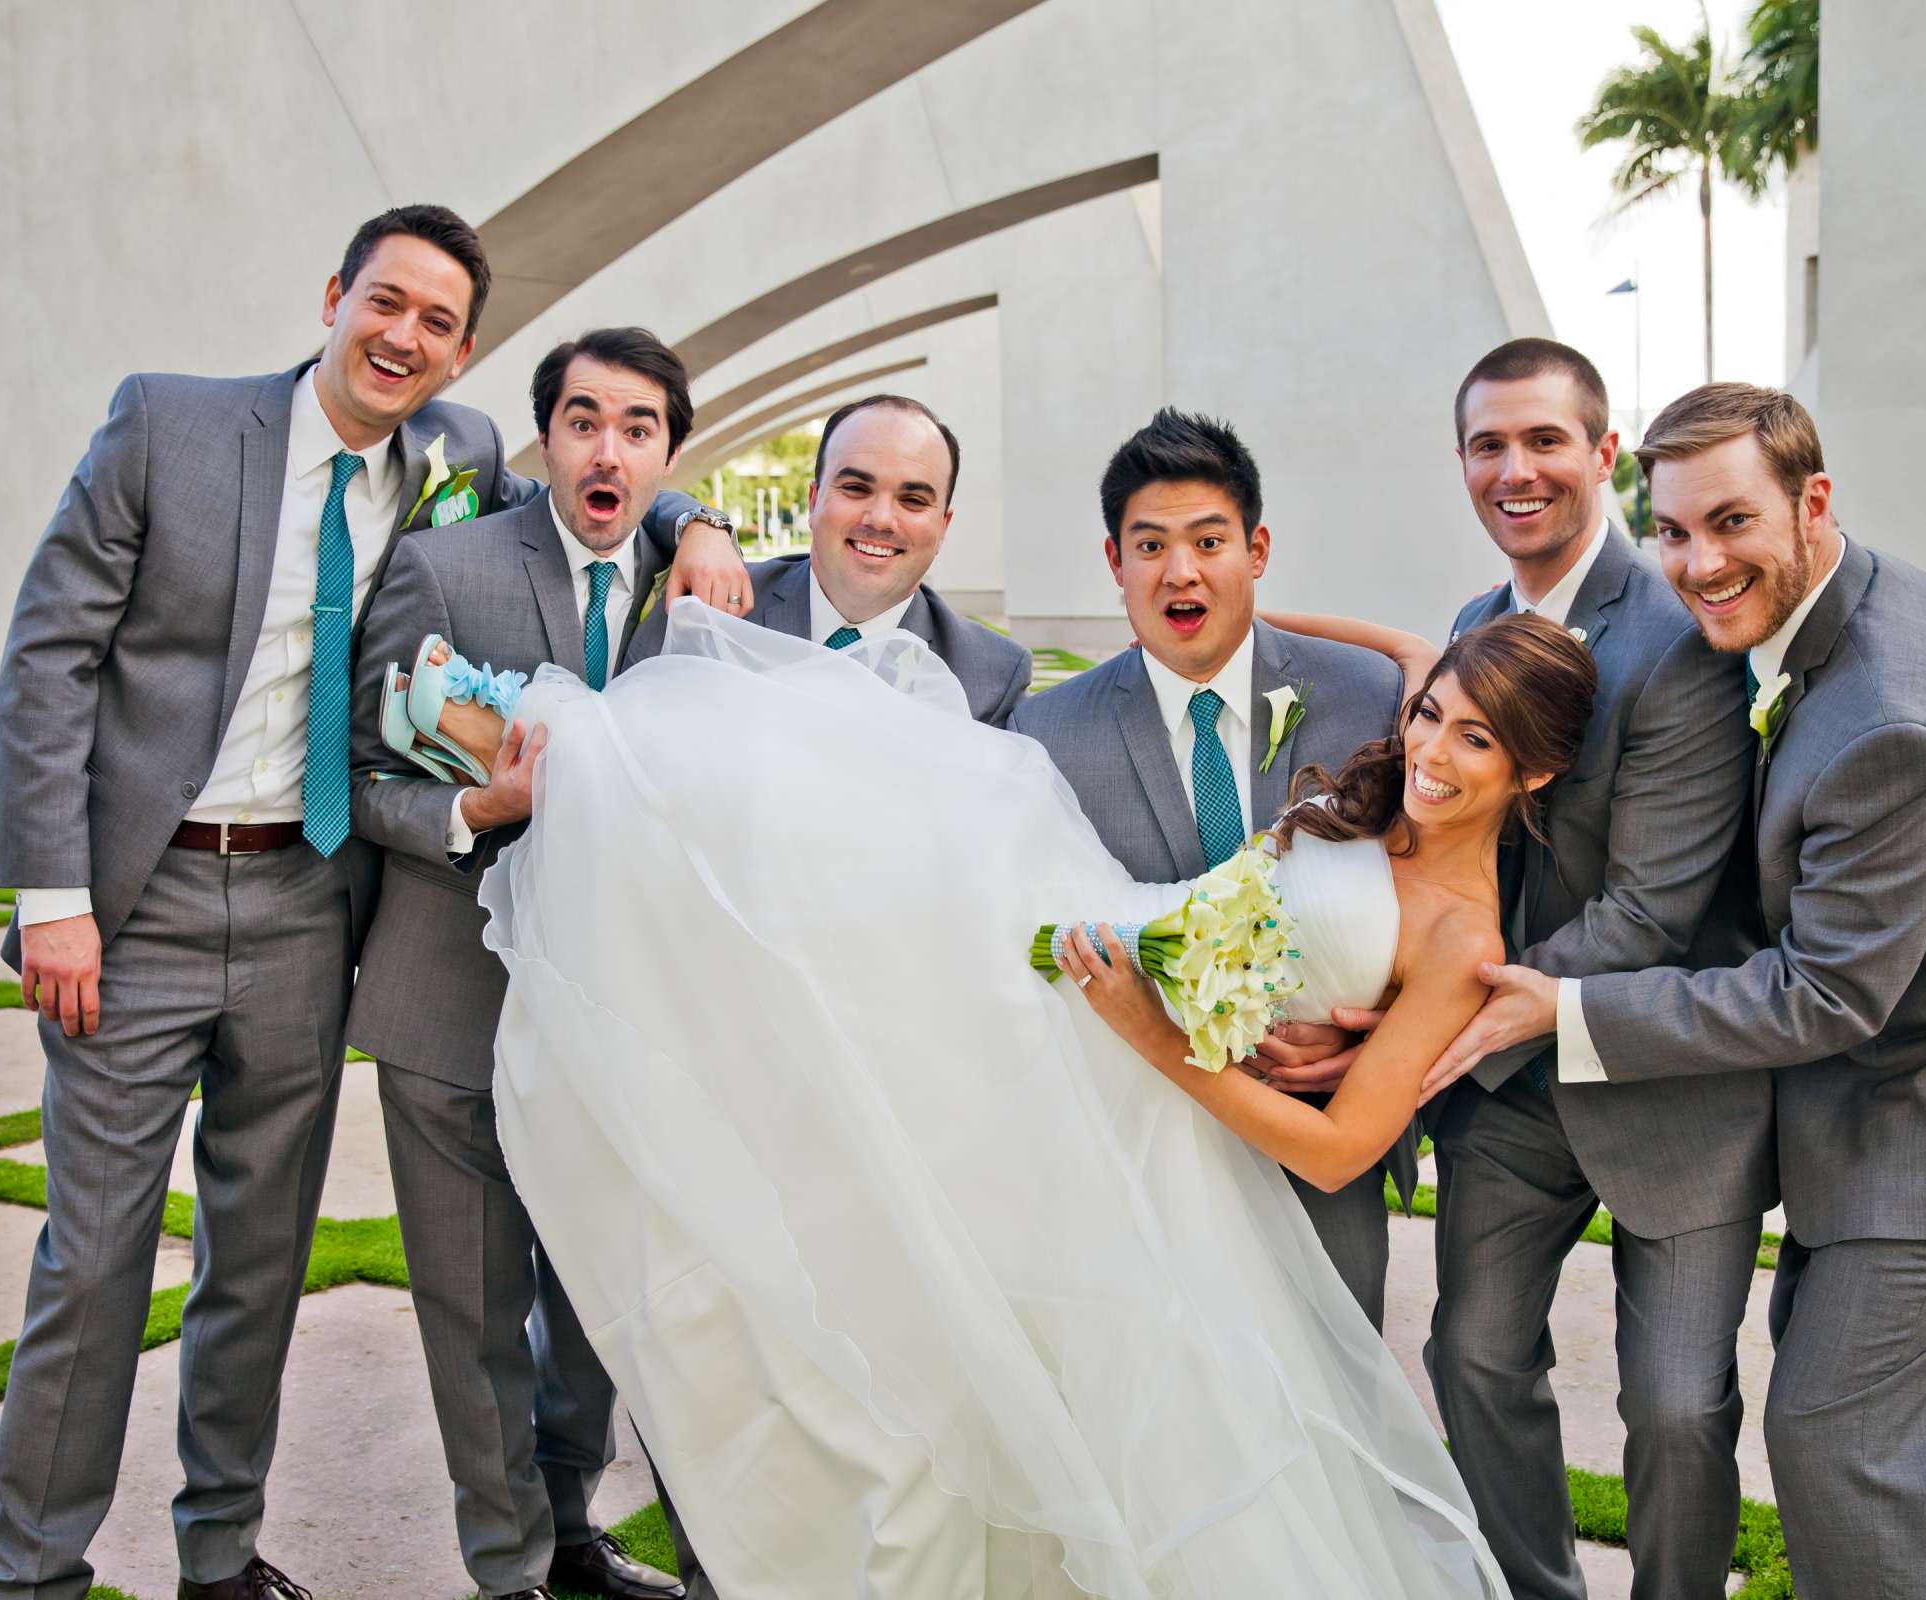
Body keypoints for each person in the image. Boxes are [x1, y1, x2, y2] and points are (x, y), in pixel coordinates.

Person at [385, 582, 1596, 1595]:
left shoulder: (1458, 940)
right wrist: (1255, 614)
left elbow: (1340, 1151)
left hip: (1132, 1065)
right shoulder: (1405, 750)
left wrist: (1152, 1036)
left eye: (1477, 740)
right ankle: (539, 744)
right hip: (1104, 931)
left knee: (854, 951)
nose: (1433, 750)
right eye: (1433, 716)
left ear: (1533, 772)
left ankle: (532, 745)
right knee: (857, 836)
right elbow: (1398, 650)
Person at [0, 200, 746, 1600]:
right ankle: (31, 1577)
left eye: (439, 323)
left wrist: (693, 516)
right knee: (94, 1260)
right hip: (136, 904)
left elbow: (601, 471)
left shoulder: (451, 457)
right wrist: (52, 896)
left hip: (303, 907)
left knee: (255, 1262)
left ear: (463, 355)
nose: (403, 336)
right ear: (334, 294)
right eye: (384, 302)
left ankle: (218, 1557)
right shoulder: (168, 423)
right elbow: (49, 655)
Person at [1425, 383, 1926, 1598]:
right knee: (1876, 1443)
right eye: (1672, 531)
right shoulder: (1824, 609)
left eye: (1732, 524)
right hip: (1886, 1076)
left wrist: (1567, 1011)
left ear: (1813, 503)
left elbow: (1824, 994)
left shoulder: (1892, 719)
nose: (1699, 563)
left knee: (1837, 1439)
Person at [1274, 340, 1770, 1600]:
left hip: (1663, 1082)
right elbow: (1427, 716)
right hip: (1508, 1099)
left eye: (1545, 440)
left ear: (1603, 455)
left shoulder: (1679, 642)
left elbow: (1649, 915)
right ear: (1462, 465)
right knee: (1474, 1361)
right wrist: (1263, 620)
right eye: (1489, 444)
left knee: (1673, 1409)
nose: (1517, 469)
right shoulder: (1474, 623)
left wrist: (1412, 1027)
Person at [351, 326, 743, 1600]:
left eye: (638, 427)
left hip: (622, 1023)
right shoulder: (441, 566)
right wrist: (472, 814)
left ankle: (569, 1528)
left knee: (593, 1314)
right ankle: (509, 1568)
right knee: (474, 1321)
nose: (608, 446)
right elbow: (361, 771)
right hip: (453, 1003)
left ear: (668, 452)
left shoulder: (704, 596)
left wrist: (706, 525)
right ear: (546, 439)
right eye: (583, 420)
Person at [1010, 410, 1410, 1326]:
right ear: (1115, 564)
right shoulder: (1045, 733)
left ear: (1257, 548)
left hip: (1321, 1130)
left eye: (1208, 540)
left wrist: (1368, 1030)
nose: (1179, 571)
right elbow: (1030, 942)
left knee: (1338, 1409)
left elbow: (1434, 895)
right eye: (1148, 545)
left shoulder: (1369, 699)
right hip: (1140, 1145)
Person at [634, 393, 1030, 724]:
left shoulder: (991, 676)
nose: (880, 519)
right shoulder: (710, 608)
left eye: (912, 500)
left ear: (943, 526)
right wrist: (701, 525)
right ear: (813, 501)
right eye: (856, 488)